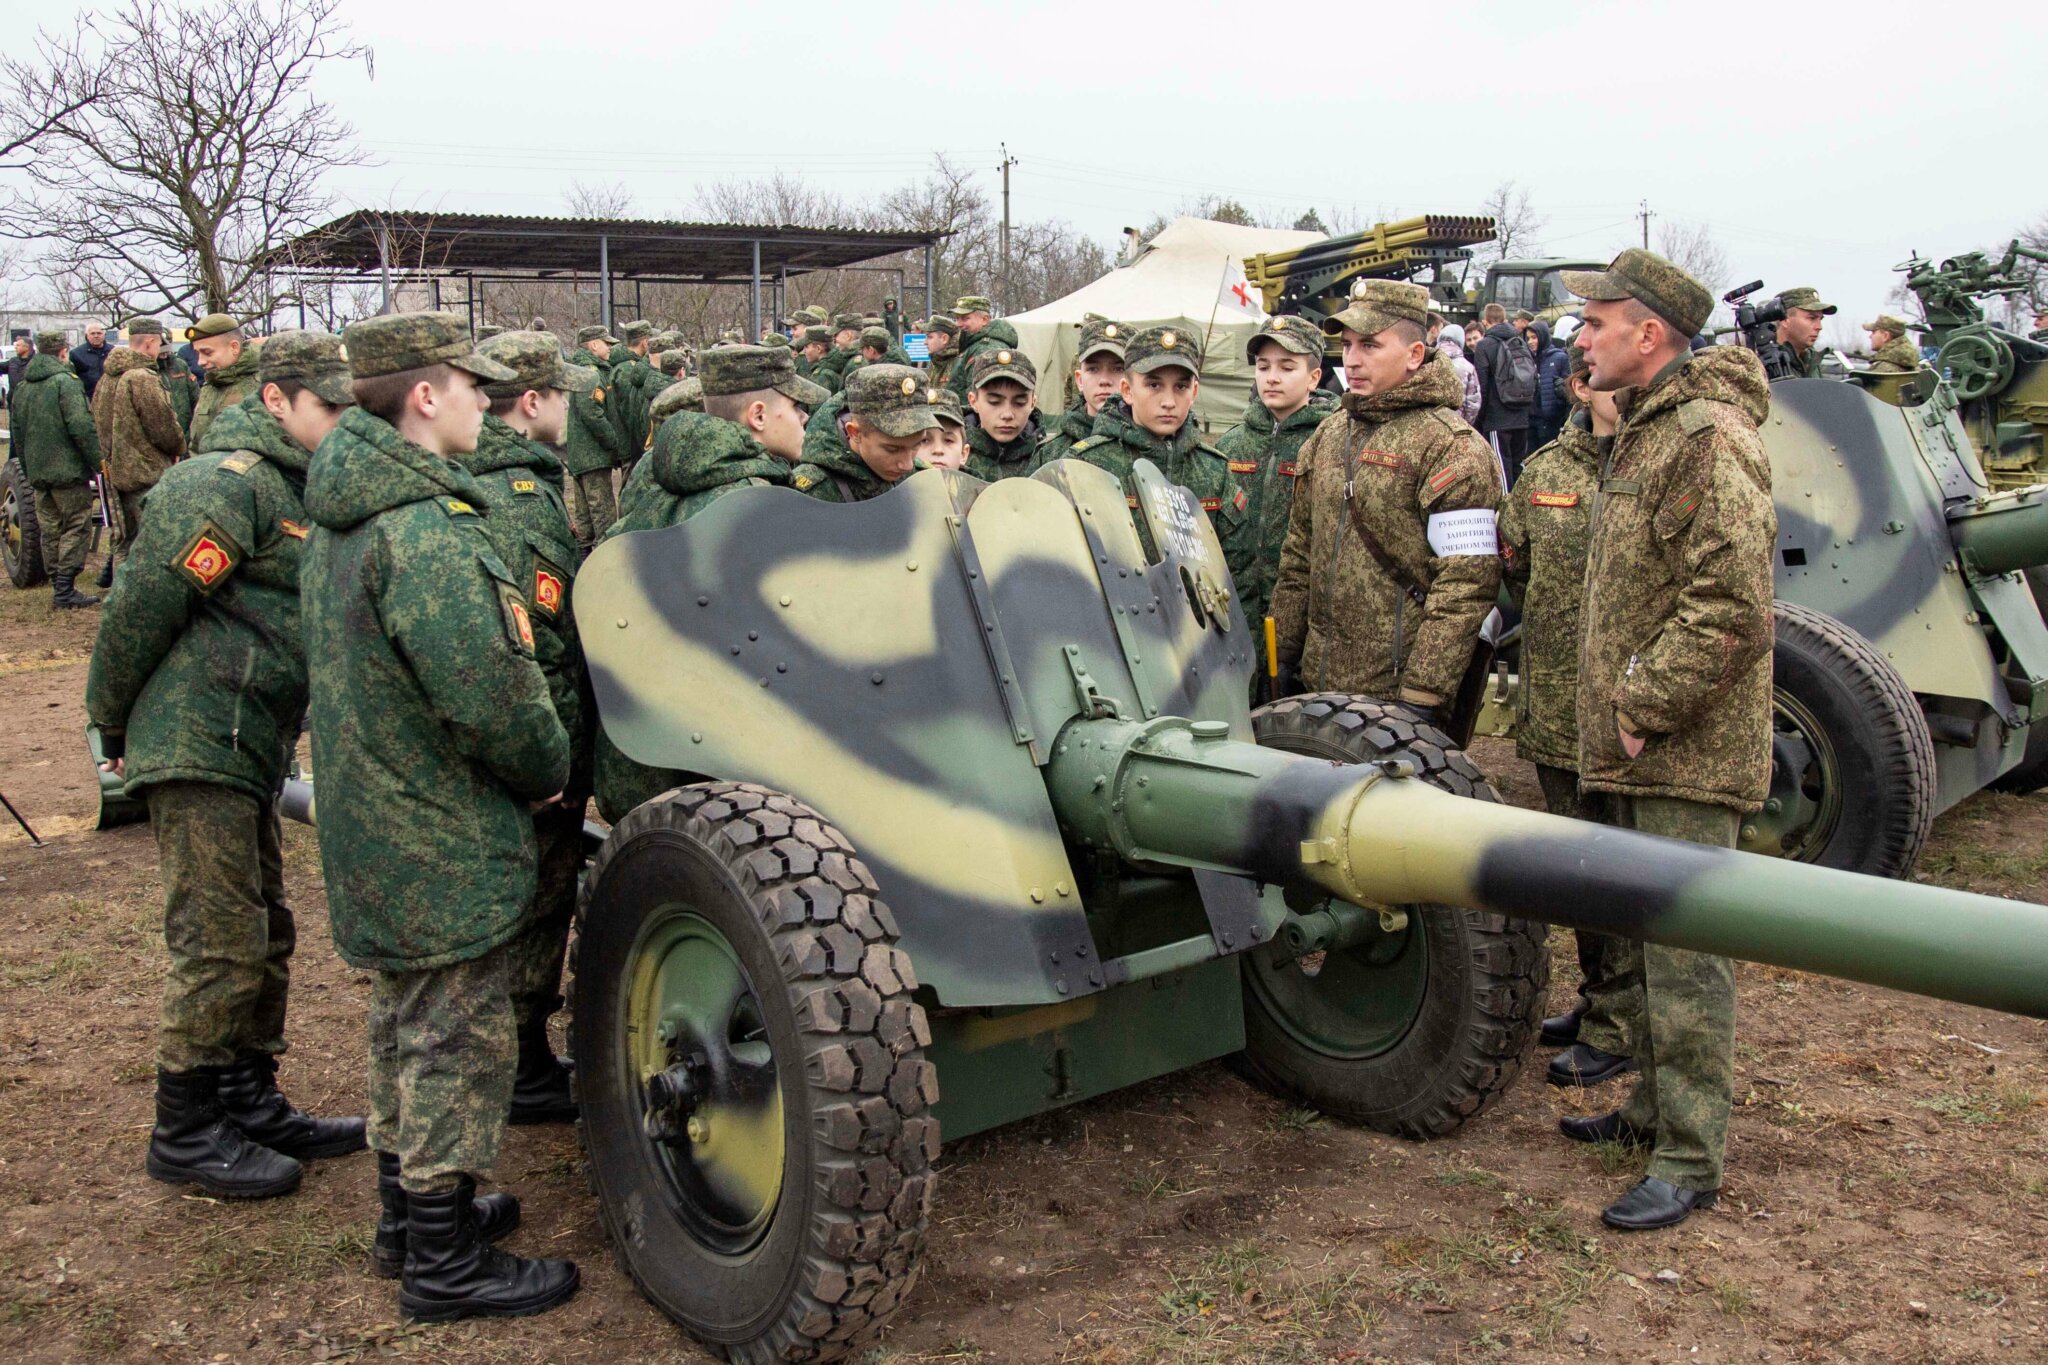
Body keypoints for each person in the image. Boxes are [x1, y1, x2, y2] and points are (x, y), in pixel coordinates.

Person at [301, 311, 579, 1321]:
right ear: (426, 396)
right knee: (454, 1041)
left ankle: (405, 1218)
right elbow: (492, 695)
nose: (484, 402)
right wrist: (546, 769)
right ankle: (443, 1258)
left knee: (403, 1023)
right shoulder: (425, 534)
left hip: (376, 814)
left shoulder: (344, 514)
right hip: (439, 830)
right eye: (470, 386)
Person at [85, 330, 365, 1199]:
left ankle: (247, 1093)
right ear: (277, 399)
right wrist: (110, 719)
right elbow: (141, 604)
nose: (340, 423)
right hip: (197, 737)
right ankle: (186, 1125)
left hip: (250, 739)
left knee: (266, 928)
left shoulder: (303, 485)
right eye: (327, 408)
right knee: (218, 939)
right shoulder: (222, 482)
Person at [1562, 249, 1775, 1231]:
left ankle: (1688, 1159)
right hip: (1642, 745)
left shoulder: (1703, 434)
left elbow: (1729, 605)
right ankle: (1651, 1113)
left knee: (1686, 960)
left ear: (1646, 334)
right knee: (1649, 947)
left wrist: (1641, 705)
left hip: (1680, 748)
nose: (1579, 338)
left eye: (1595, 323)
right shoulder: (1642, 430)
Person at [456, 331, 599, 1127]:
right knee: (533, 899)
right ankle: (515, 1063)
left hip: (515, 744)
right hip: (533, 751)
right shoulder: (516, 495)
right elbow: (534, 644)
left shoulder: (500, 483)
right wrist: (552, 759)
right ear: (534, 401)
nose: (572, 408)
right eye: (564, 393)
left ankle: (517, 1054)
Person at [595, 345, 821, 821]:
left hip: (645, 764)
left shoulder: (653, 480)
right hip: (728, 786)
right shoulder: (756, 507)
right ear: (758, 415)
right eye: (794, 407)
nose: (804, 417)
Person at [1268, 282, 1500, 715]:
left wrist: (1423, 696)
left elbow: (1466, 586)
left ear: (1415, 354)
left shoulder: (1453, 447)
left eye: (1370, 345)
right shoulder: (1330, 434)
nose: (1352, 360)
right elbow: (1299, 555)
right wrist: (1278, 658)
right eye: (1348, 345)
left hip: (1397, 699)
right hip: (1315, 686)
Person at [1499, 351, 1635, 1088]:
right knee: (1579, 869)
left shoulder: (1658, 462)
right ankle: (1599, 1000)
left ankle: (1622, 1020)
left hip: (1632, 713)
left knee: (1623, 868)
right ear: (1581, 388)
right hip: (1556, 701)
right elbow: (1514, 565)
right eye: (1610, 382)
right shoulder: (1547, 470)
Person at [1209, 314, 1338, 690]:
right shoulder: (1232, 445)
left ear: (1314, 378)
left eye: (1287, 367)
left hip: (1306, 624)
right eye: (1263, 367)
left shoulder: (1329, 442)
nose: (1272, 377)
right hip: (1238, 617)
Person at [13, 330, 104, 608]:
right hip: (68, 472)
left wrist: (28, 469)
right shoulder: (66, 383)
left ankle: (58, 585)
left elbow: (18, 433)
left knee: (50, 530)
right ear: (64, 351)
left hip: (38, 473)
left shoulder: (23, 388)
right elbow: (81, 427)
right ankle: (65, 588)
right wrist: (97, 461)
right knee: (76, 525)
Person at [1066, 326, 1211, 499]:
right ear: (1127, 390)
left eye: (1181, 387)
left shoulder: (1214, 470)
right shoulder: (1085, 463)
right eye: (1154, 386)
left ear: (1194, 392)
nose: (1169, 402)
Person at [92, 320, 187, 576]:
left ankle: (122, 599)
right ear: (150, 342)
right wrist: (178, 447)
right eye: (158, 344)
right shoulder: (142, 378)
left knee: (124, 542)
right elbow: (163, 426)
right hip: (147, 473)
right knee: (156, 542)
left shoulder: (106, 378)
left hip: (116, 473)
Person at [792, 363, 940, 502]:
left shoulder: (922, 478)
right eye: (892, 449)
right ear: (855, 433)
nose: (907, 465)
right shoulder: (810, 494)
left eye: (916, 445)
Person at [560, 331, 626, 549]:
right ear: (594, 345)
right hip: (594, 456)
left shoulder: (580, 371)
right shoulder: (592, 375)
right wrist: (612, 441)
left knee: (585, 518)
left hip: (581, 456)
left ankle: (583, 562)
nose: (610, 348)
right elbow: (592, 412)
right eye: (607, 344)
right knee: (604, 516)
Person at [1038, 317, 1128, 465]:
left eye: (1118, 369)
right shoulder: (1053, 452)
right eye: (1093, 369)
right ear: (1079, 380)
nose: (1104, 380)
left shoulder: (1154, 447)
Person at [1474, 302, 1537, 488]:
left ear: (1485, 322)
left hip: (1497, 417)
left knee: (1500, 468)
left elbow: (1482, 386)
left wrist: (1480, 419)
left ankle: (1504, 511)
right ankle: (1522, 508)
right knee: (1518, 464)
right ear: (1505, 320)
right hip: (1521, 414)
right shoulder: (1520, 342)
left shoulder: (1484, 346)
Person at [962, 348, 1042, 481]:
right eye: (994, 402)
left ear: (1033, 403)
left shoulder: (1045, 456)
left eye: (1019, 402)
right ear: (973, 401)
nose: (1007, 415)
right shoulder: (953, 452)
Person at [186, 314, 261, 449]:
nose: (200, 362)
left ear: (234, 347)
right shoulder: (211, 384)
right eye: (198, 353)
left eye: (207, 352)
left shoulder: (264, 385)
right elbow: (196, 442)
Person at [945, 295, 1022, 402]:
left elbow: (980, 396)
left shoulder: (985, 349)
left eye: (965, 318)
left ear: (984, 320)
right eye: (957, 318)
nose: (958, 324)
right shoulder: (973, 345)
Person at [606, 320, 657, 471]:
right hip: (631, 445)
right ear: (645, 343)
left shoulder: (626, 366)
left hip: (630, 443)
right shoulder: (627, 369)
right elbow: (631, 410)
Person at [1773, 287, 1834, 379]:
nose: (1819, 327)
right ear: (1784, 320)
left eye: (1820, 319)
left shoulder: (1812, 362)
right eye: (1812, 318)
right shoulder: (1763, 364)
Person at [1529, 320, 1572, 449]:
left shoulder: (1559, 358)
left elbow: (1568, 387)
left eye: (1534, 337)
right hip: (1531, 420)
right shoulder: (1527, 359)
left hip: (1551, 419)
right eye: (1528, 338)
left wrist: (1558, 402)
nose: (1530, 342)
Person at [1434, 320, 1482, 424]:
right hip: (1457, 425)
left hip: (1430, 426)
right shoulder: (1468, 367)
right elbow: (1473, 403)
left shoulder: (1427, 361)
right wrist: (1466, 425)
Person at [72, 322, 113, 400]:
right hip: (87, 398)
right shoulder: (76, 354)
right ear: (87, 336)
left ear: (104, 335)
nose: (96, 336)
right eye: (92, 333)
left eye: (99, 333)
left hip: (110, 398)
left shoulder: (113, 352)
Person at [922, 314, 963, 389]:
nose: (925, 342)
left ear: (944, 339)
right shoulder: (936, 361)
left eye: (929, 337)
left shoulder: (959, 364)